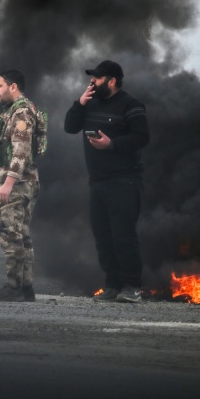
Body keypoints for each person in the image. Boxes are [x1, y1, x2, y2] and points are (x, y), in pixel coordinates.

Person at [63, 60, 150, 303]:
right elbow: (69, 127)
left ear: (112, 81)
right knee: (103, 237)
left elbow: (142, 137)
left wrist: (111, 144)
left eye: (97, 78)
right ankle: (112, 285)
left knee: (123, 236)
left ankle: (132, 286)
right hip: (98, 182)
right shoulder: (89, 104)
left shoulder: (130, 105)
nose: (92, 81)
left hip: (125, 182)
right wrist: (79, 104)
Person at [0, 69, 40, 302]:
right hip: (23, 182)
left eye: (0, 86)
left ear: (13, 86)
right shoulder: (17, 110)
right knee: (21, 235)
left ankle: (14, 287)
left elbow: (21, 151)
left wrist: (7, 183)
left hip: (17, 183)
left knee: (10, 234)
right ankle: (25, 288)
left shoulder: (21, 112)